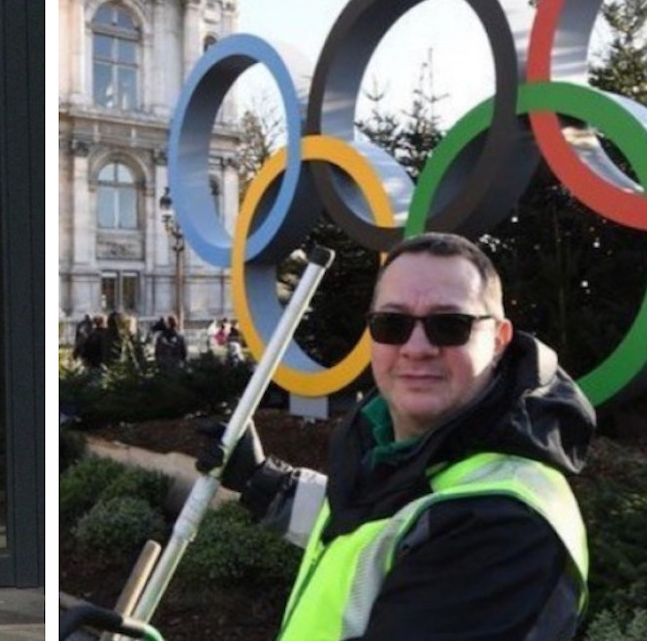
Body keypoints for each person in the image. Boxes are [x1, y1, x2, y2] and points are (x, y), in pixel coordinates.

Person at [198, 232, 593, 639]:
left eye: (449, 325)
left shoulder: (503, 523)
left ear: (498, 340)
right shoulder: (406, 449)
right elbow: (373, 524)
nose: (416, 347)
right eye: (393, 324)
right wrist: (261, 480)